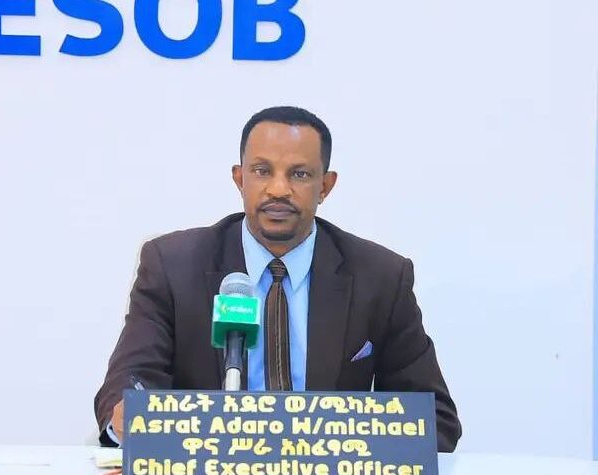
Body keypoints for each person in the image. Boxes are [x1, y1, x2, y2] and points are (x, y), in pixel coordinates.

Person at [95, 106, 461, 452]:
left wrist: (338, 445)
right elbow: (132, 379)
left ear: (326, 186)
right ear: (239, 178)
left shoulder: (380, 277)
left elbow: (434, 418)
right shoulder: (173, 266)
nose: (278, 189)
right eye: (262, 171)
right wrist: (128, 413)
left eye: (299, 174)